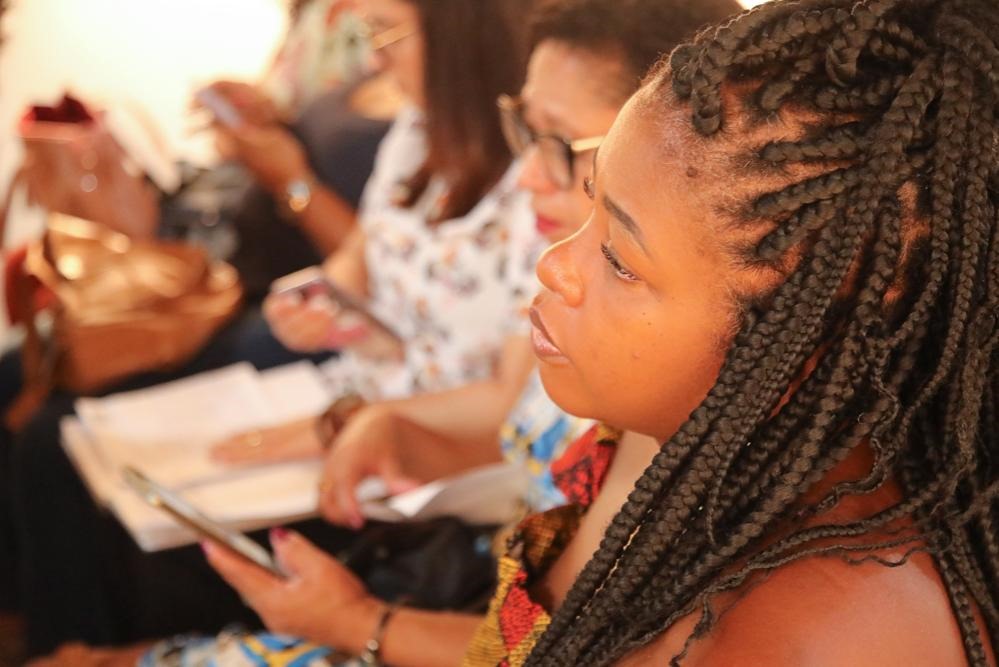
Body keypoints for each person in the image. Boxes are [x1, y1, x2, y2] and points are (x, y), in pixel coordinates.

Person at [459, 0, 999, 664]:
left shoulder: (812, 635)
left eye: (620, 261)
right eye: (593, 203)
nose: (553, 265)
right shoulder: (672, 446)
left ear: (797, 341)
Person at [9, 0, 534, 657]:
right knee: (89, 454)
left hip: (416, 448)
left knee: (156, 507)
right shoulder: (418, 131)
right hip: (350, 389)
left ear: (461, 35)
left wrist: (342, 421)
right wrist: (325, 294)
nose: (375, 58)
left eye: (385, 34)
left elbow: (509, 402)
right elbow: (366, 249)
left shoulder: (535, 186)